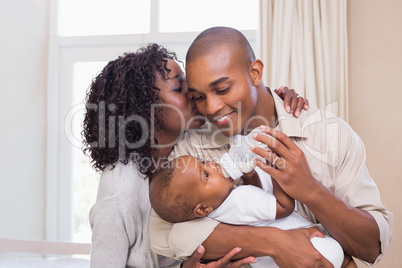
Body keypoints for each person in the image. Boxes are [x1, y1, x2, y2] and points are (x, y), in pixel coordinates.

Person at [148, 27, 393, 267]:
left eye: (222, 89)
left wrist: (311, 191)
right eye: (199, 97)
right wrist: (275, 242)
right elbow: (164, 236)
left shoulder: (329, 134)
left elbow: (371, 246)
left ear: (255, 72)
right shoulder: (192, 148)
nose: (210, 108)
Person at [82, 43, 306, 267]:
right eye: (179, 89)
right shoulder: (119, 194)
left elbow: (248, 107)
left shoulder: (192, 142)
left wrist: (278, 101)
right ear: (145, 111)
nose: (193, 92)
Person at [150, 155, 345, 268]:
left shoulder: (216, 214)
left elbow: (257, 199)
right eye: (206, 174)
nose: (212, 164)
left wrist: (249, 176)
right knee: (343, 257)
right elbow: (282, 207)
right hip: (316, 249)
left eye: (202, 161)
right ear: (202, 208)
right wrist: (274, 171)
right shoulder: (239, 200)